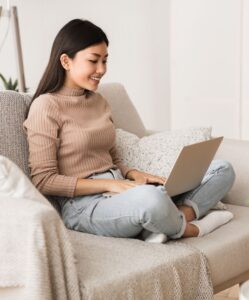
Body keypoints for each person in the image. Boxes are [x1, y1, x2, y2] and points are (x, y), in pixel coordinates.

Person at [23, 19, 235, 243]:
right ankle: (192, 228)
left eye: (105, 60)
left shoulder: (99, 102)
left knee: (222, 169)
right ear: (66, 61)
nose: (102, 70)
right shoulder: (45, 106)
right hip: (85, 206)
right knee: (151, 200)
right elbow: (44, 180)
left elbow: (110, 158)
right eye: (93, 61)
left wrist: (134, 174)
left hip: (124, 189)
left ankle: (176, 217)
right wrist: (110, 184)